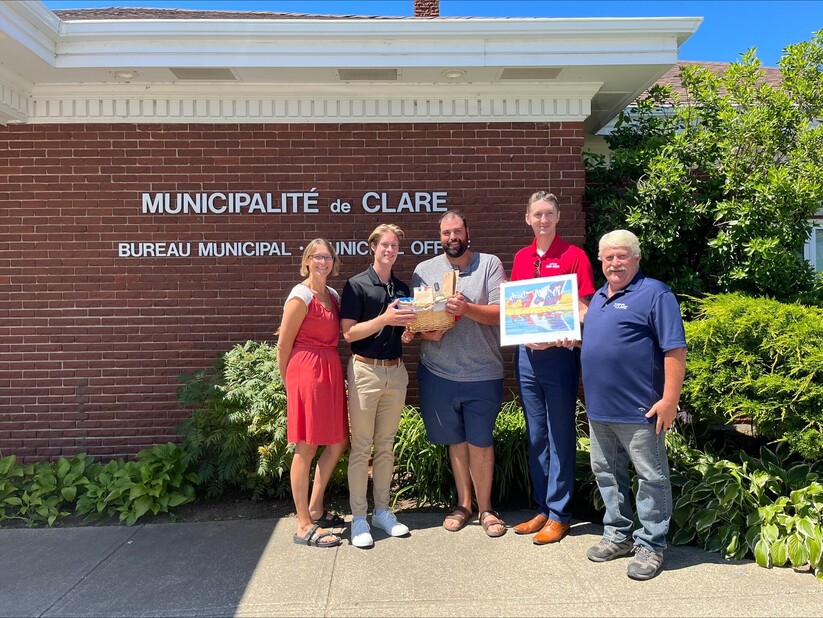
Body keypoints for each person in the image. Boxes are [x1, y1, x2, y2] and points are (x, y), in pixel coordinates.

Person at [581, 229, 687, 581]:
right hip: (599, 410)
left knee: (651, 477)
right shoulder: (597, 298)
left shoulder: (655, 294)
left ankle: (652, 545)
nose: (615, 262)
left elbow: (675, 349)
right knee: (607, 474)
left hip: (641, 410)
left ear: (636, 258)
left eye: (622, 256)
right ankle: (618, 535)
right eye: (608, 257)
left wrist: (670, 400)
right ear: (600, 260)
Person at [409, 210, 508, 538]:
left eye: (457, 232)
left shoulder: (490, 265)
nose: (452, 238)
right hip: (439, 371)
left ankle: (486, 509)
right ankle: (464, 505)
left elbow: (501, 314)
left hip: (482, 371)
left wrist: (467, 309)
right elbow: (417, 319)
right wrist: (425, 332)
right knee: (456, 442)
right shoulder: (425, 270)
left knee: (480, 442)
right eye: (446, 233)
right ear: (440, 237)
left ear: (467, 233)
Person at [509, 191, 595, 545]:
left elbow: (586, 308)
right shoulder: (520, 257)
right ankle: (543, 507)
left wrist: (561, 335)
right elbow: (517, 307)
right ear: (527, 219)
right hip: (527, 356)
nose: (542, 220)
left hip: (558, 357)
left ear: (558, 218)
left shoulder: (574, 256)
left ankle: (560, 514)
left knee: (560, 433)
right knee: (536, 435)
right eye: (536, 215)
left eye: (548, 214)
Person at [340, 224, 417, 549]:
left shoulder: (401, 287)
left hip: (395, 372)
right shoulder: (356, 286)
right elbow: (349, 334)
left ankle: (382, 512)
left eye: (395, 245)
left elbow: (404, 330)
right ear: (372, 247)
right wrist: (384, 319)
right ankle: (359, 518)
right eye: (384, 244)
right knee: (361, 448)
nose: (390, 250)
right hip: (364, 372)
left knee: (385, 446)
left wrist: (410, 333)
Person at [277, 239, 349, 548]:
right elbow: (283, 343)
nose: (323, 261)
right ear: (307, 260)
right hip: (306, 371)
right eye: (317, 256)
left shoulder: (331, 295)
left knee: (338, 441)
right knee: (306, 446)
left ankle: (316, 507)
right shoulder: (300, 295)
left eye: (328, 256)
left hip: (329, 370)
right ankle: (303, 524)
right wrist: (288, 382)